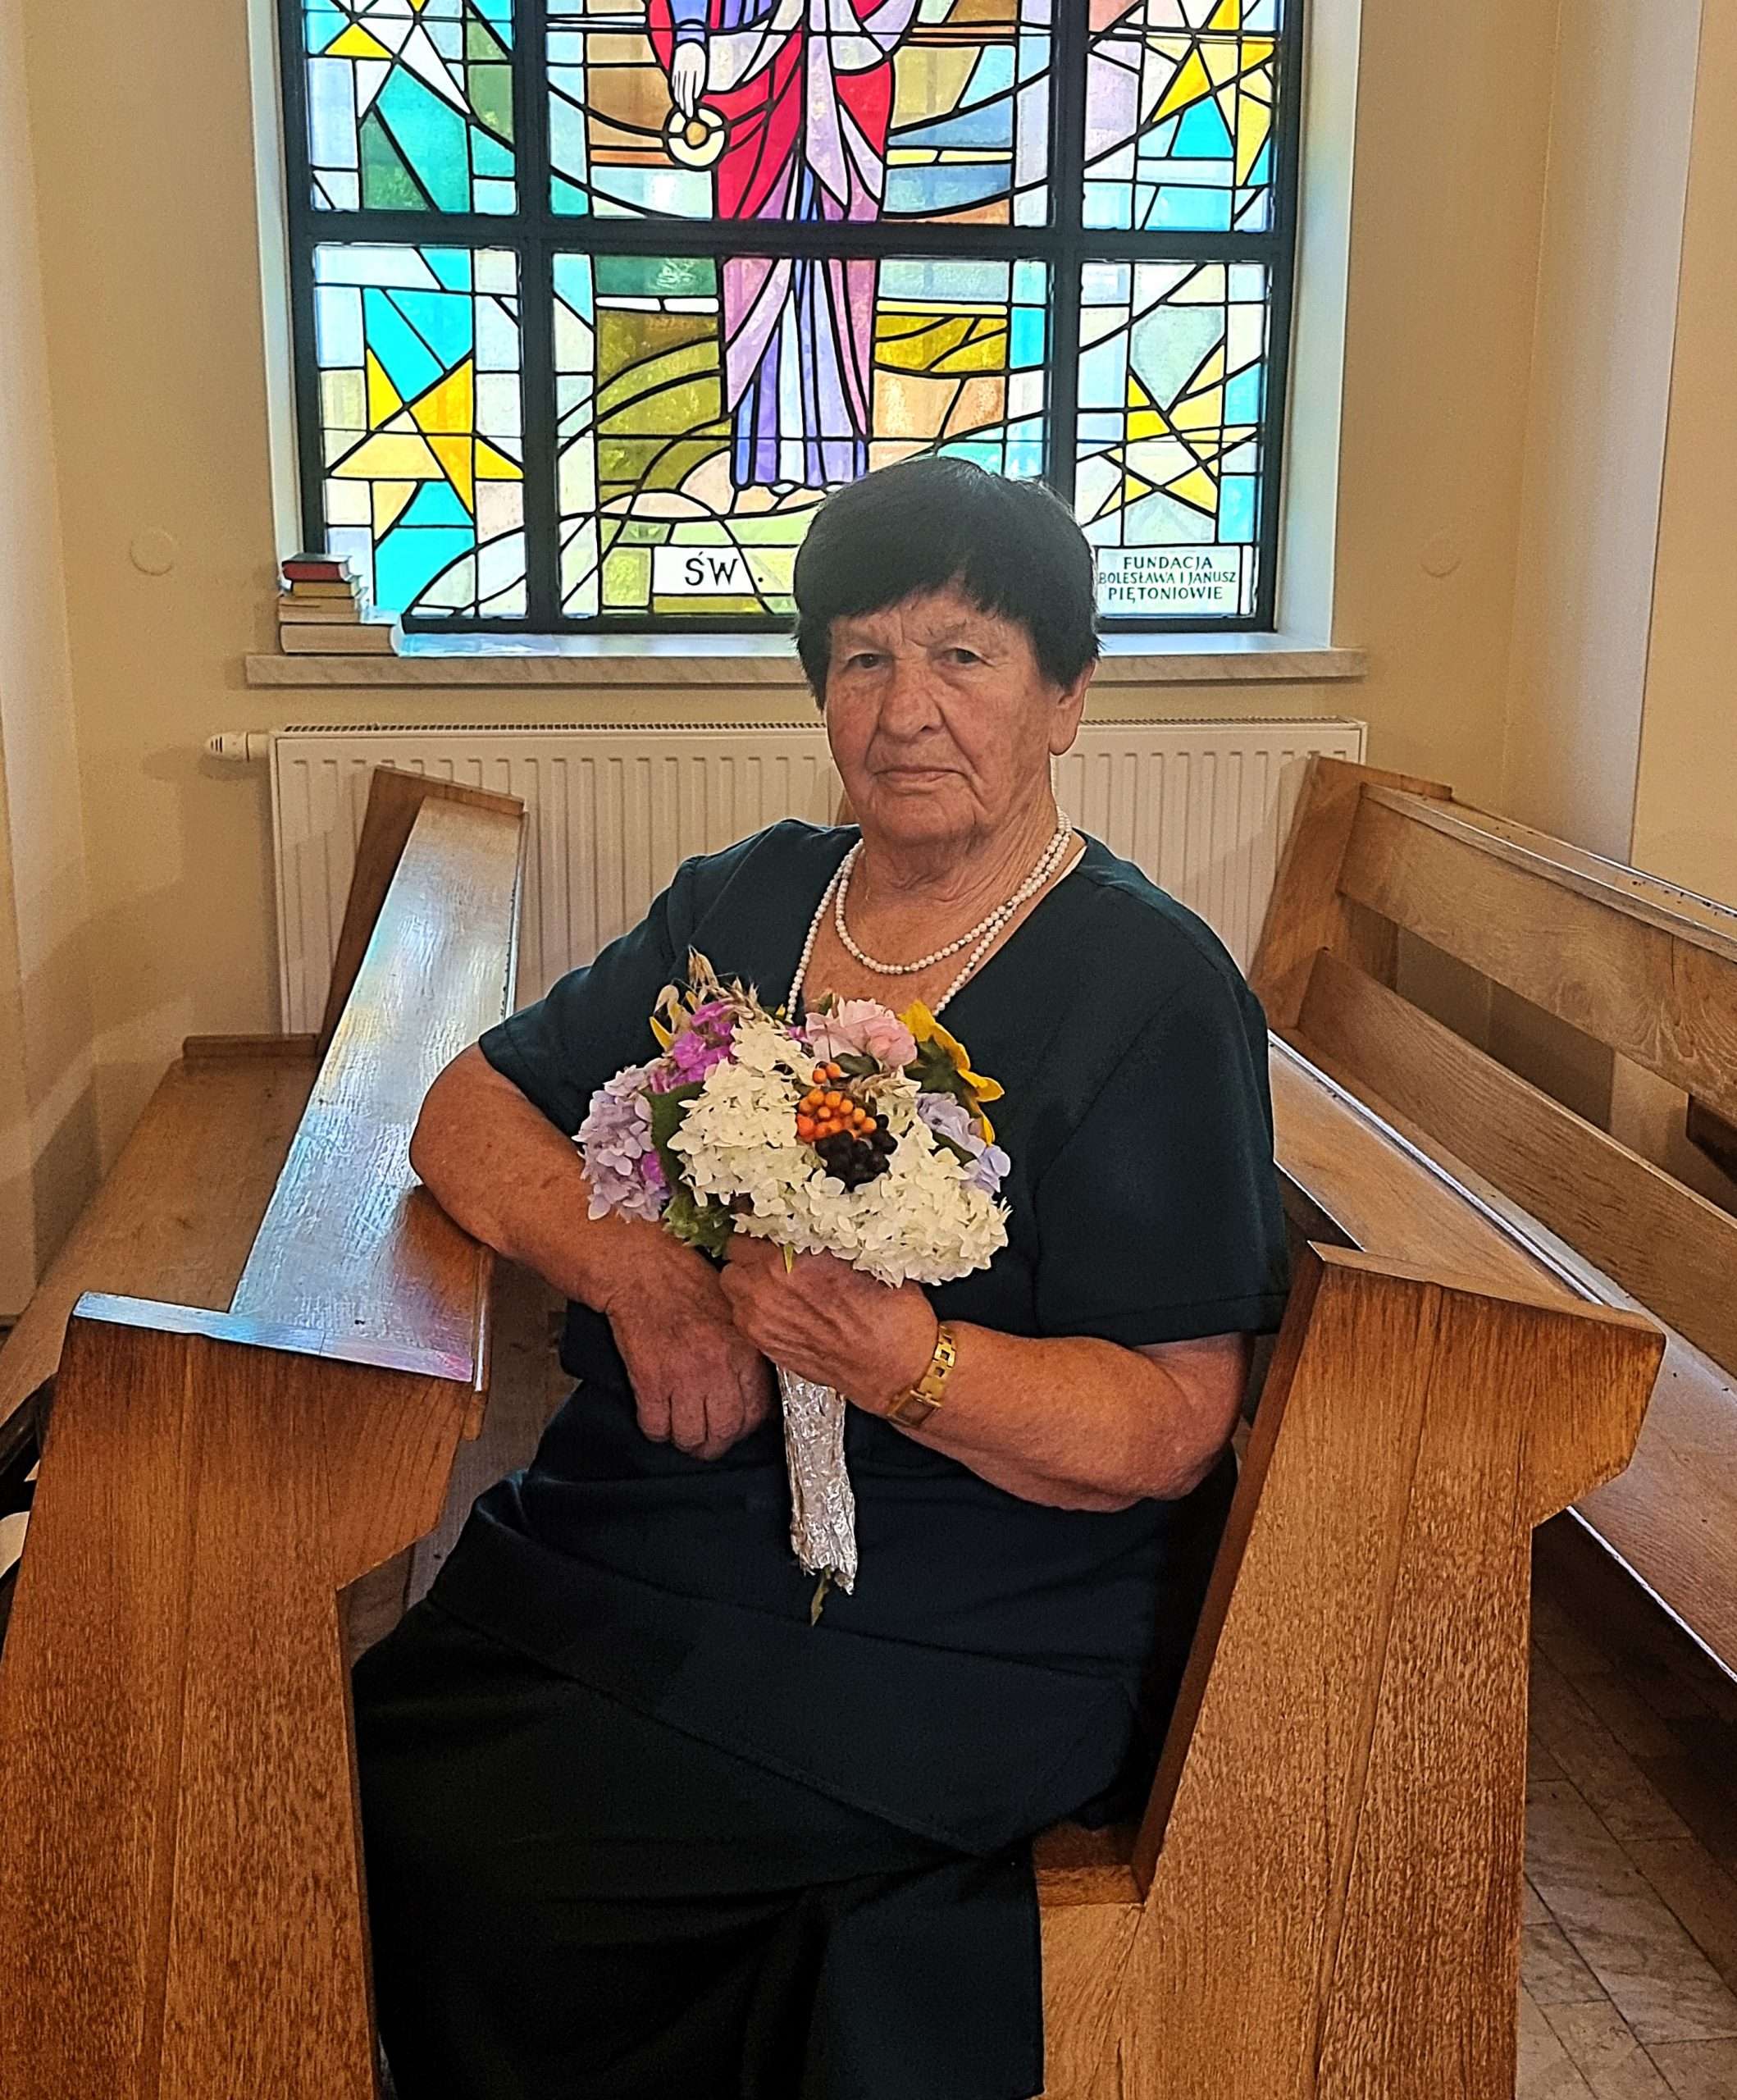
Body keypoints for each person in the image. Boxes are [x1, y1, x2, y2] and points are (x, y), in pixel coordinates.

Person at [354, 457, 1289, 2100]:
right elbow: (465, 1108)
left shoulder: (1147, 990)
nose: (905, 708)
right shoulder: (751, 899)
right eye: (863, 656)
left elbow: (1172, 1420)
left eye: (963, 654)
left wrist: (906, 1363)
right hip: (659, 1529)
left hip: (952, 1612)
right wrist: (642, 1273)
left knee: (467, 1835)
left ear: (1065, 696)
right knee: (365, 1739)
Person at [646, 0, 922, 488]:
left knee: (840, 273)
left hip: (846, 89)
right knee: (755, 264)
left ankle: (836, 455)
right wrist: (690, 35)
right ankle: (762, 453)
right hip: (751, 90)